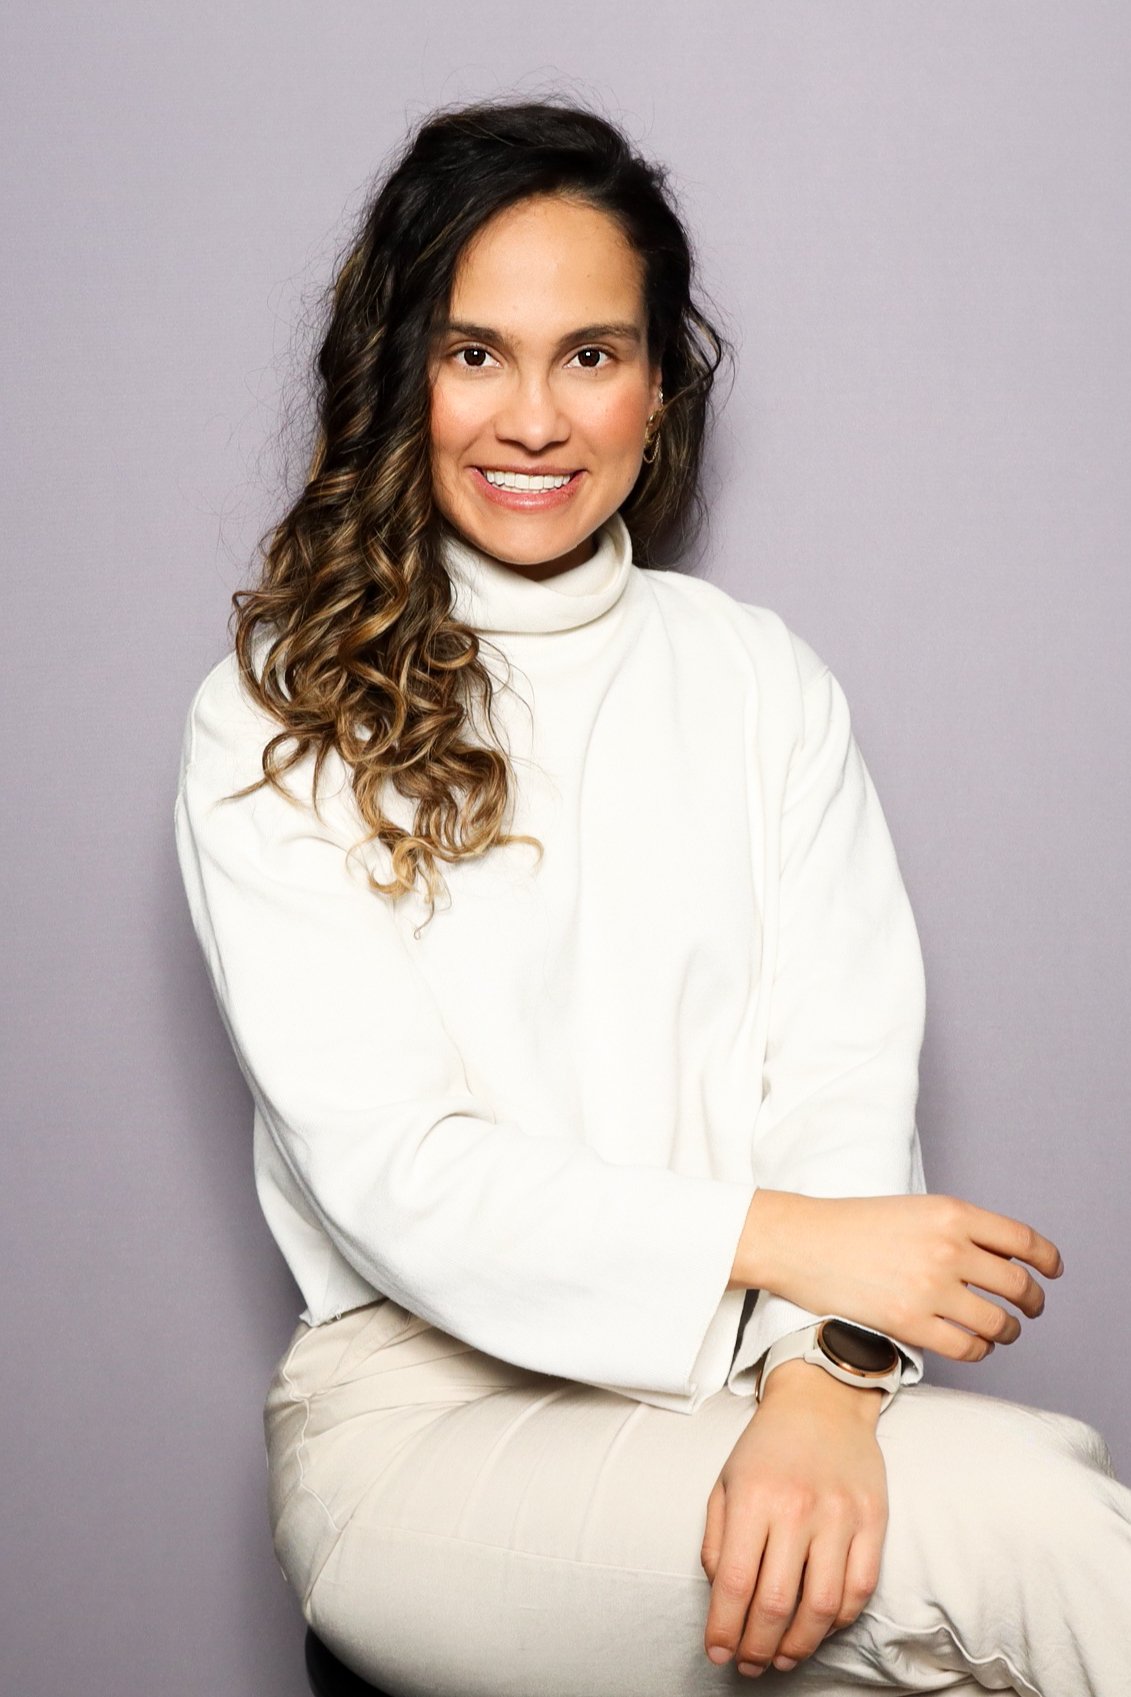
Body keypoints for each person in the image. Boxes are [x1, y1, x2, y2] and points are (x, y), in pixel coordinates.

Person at [173, 97, 1131, 1696]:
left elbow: (839, 1065)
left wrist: (825, 1393)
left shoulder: (758, 678)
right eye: (475, 352)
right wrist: (797, 1243)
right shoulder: (272, 710)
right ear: (396, 372)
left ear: (660, 385)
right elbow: (403, 1173)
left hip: (743, 1391)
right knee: (1031, 1521)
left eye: (591, 354)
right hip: (420, 1441)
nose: (534, 417)